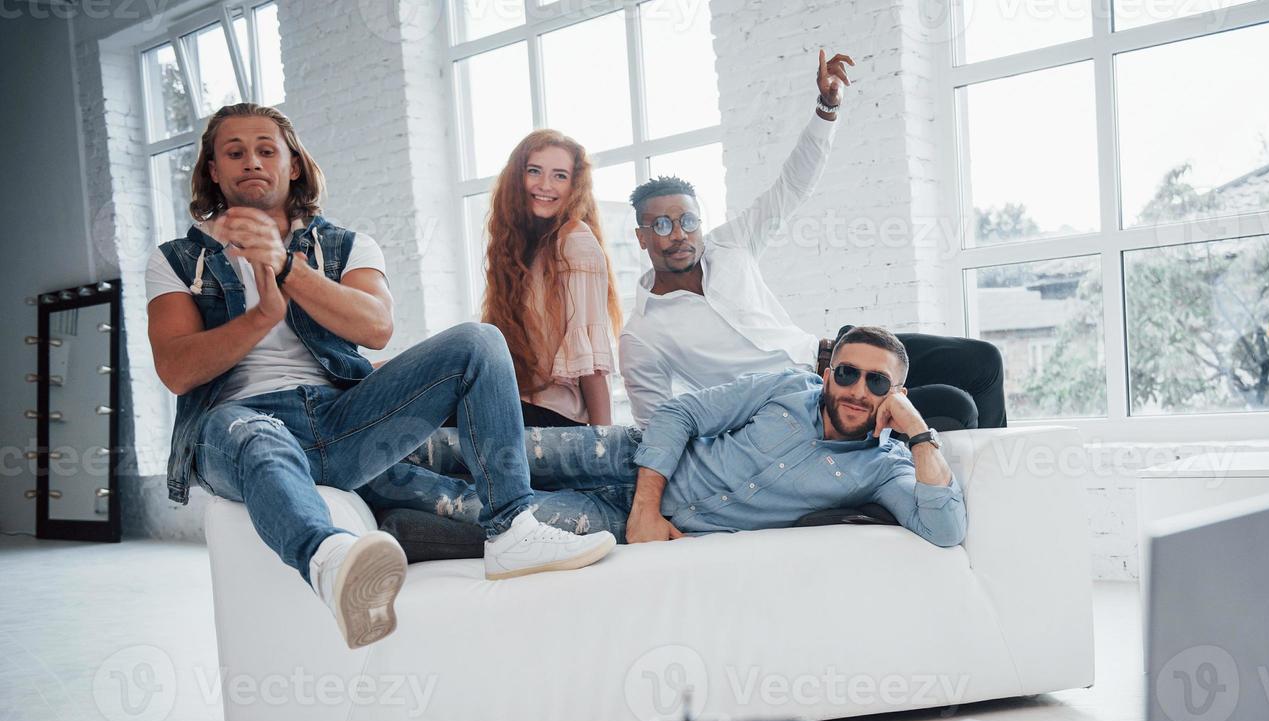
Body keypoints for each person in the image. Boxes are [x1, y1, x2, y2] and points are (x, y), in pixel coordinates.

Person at [145, 103, 614, 649]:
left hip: (343, 420)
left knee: (480, 342)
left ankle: (511, 530)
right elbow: (177, 370)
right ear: (213, 170)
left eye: (266, 149)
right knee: (253, 432)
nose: (252, 161)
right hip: (238, 426)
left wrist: (285, 268)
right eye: (235, 152)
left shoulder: (345, 246)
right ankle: (330, 562)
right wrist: (261, 318)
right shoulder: (177, 259)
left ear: (292, 165)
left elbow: (376, 328)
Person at [618, 48, 1007, 431]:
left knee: (982, 362)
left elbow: (792, 186)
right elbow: (657, 426)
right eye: (663, 225)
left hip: (842, 353)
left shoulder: (730, 245)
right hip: (806, 407)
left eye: (687, 220)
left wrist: (827, 108)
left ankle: (991, 483)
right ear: (641, 237)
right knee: (954, 407)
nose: (679, 234)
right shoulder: (642, 334)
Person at [517, 326, 966, 547]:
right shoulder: (788, 386)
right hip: (623, 457)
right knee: (464, 449)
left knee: (481, 510)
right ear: (828, 376)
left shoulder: (886, 468)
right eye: (848, 374)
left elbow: (944, 530)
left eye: (877, 382)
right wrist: (646, 510)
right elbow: (681, 412)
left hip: (618, 519)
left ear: (897, 395)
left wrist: (919, 432)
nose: (857, 390)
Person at [481, 130, 620, 427]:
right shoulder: (519, 248)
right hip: (516, 404)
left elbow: (591, 360)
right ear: (517, 178)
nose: (545, 185)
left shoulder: (574, 239)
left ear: (574, 186)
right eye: (534, 171)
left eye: (559, 176)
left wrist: (602, 446)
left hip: (554, 416)